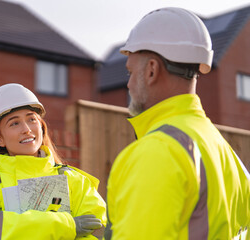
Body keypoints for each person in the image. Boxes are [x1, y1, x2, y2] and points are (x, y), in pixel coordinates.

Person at [105, 7, 250, 240]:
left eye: (130, 72)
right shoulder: (224, 150)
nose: (129, 84)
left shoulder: (157, 152)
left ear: (151, 70)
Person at [0, 83, 106, 239]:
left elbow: (98, 231)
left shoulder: (76, 181)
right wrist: (66, 226)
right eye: (14, 123)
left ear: (41, 126)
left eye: (32, 119)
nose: (26, 128)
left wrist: (6, 224)